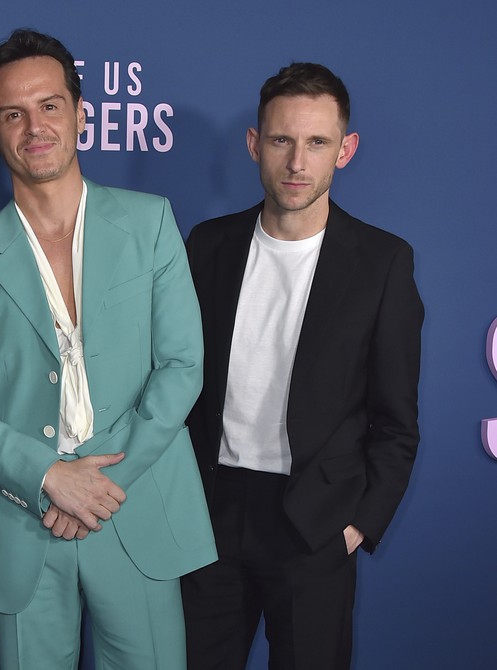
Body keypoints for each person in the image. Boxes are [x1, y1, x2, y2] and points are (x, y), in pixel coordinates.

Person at [0, 28, 216, 670]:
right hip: (28, 520)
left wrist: (100, 485)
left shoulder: (151, 223)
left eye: (50, 105)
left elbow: (182, 365)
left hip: (134, 507)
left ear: (80, 114)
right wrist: (50, 478)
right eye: (13, 113)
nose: (35, 126)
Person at [182, 62, 424, 669]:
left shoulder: (382, 262)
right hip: (210, 513)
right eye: (281, 140)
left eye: (317, 142)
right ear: (253, 144)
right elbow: (176, 382)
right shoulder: (206, 245)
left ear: (346, 150)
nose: (297, 162)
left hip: (315, 521)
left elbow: (396, 420)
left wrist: (359, 525)